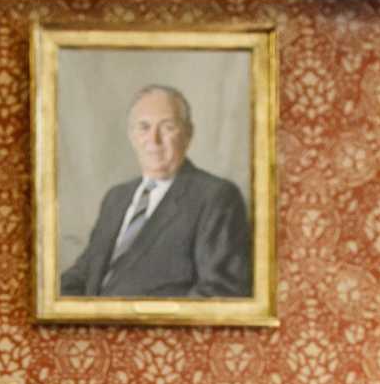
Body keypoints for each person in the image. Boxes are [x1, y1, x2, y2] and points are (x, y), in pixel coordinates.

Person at [60, 83, 251, 300]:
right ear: (131, 135)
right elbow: (84, 274)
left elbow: (220, 291)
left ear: (188, 134)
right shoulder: (116, 198)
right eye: (143, 127)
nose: (154, 140)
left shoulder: (216, 197)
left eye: (167, 127)